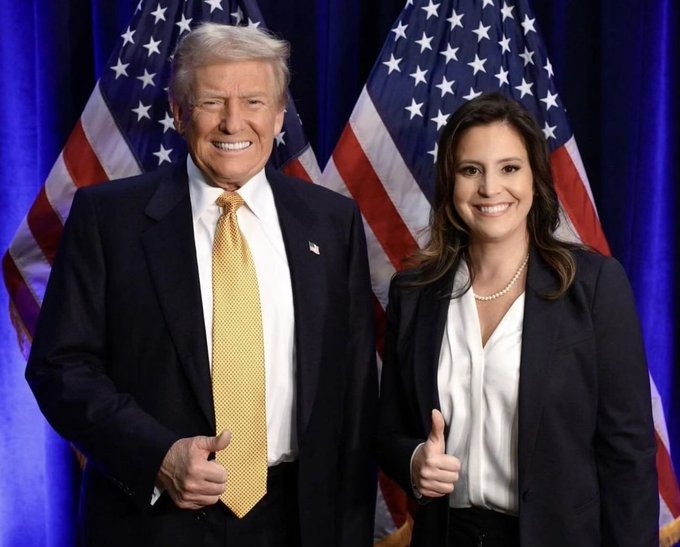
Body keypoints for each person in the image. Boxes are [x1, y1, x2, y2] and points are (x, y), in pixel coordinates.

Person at [26, 23, 377, 547]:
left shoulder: (331, 221)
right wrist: (157, 455)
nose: (234, 121)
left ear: (280, 114)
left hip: (298, 520)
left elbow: (352, 394)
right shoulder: (109, 218)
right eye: (212, 101)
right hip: (153, 523)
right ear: (178, 110)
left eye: (254, 100)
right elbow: (60, 367)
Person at [376, 92, 658, 546]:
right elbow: (389, 430)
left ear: (535, 179)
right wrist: (413, 462)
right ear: (450, 183)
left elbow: (628, 454)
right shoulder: (414, 294)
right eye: (472, 170)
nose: (491, 189)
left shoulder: (595, 286)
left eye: (509, 168)